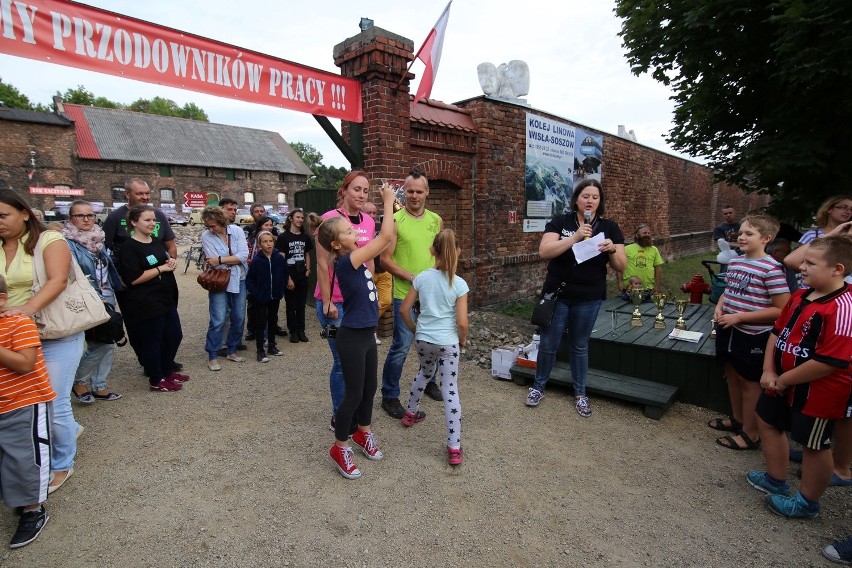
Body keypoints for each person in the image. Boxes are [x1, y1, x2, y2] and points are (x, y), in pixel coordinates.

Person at [745, 236, 852, 518]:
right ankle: (776, 479)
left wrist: (786, 379)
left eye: (810, 263)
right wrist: (769, 370)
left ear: (837, 269)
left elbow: (831, 361)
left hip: (819, 391)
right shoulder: (800, 295)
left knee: (814, 445)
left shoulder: (843, 307)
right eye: (802, 261)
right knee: (767, 420)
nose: (801, 267)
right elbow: (776, 332)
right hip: (780, 380)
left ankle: (807, 503)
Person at [0, 188, 84, 494]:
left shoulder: (49, 239)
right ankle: (69, 431)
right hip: (12, 337)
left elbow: (58, 280)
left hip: (54, 331)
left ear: (24, 213)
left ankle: (62, 463)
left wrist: (26, 310)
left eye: (3, 215)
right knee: (24, 401)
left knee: (52, 399)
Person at [524, 179, 626, 416]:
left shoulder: (609, 227)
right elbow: (544, 252)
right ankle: (538, 386)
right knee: (549, 344)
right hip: (559, 294)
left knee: (579, 346)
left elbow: (621, 266)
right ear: (576, 199)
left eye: (595, 197)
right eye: (585, 196)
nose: (590, 200)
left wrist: (612, 249)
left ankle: (580, 393)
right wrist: (574, 238)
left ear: (600, 202)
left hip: (589, 297)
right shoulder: (561, 221)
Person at [317, 180, 396, 479]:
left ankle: (364, 432)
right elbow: (385, 236)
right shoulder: (347, 261)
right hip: (351, 337)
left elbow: (386, 241)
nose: (355, 233)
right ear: (337, 244)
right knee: (352, 394)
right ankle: (340, 447)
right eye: (349, 232)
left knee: (369, 389)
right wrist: (387, 201)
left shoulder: (356, 259)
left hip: (367, 335)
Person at [709, 214, 790, 450]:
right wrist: (720, 306)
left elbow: (781, 309)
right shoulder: (735, 262)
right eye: (741, 232)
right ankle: (738, 419)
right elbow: (729, 291)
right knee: (732, 374)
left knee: (749, 382)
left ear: (766, 238)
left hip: (753, 334)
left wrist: (740, 317)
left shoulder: (772, 268)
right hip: (728, 328)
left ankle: (750, 433)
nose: (741, 237)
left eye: (749, 234)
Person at [399, 229, 469, 466]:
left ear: (432, 250)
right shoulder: (459, 284)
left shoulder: (421, 277)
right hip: (448, 342)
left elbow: (403, 310)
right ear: (458, 251)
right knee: (450, 389)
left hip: (424, 340)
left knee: (425, 372)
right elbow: (461, 322)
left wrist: (415, 330)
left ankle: (410, 413)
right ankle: (454, 446)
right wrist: (463, 339)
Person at [314, 170, 376, 430]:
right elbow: (321, 261)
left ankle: (355, 414)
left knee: (361, 362)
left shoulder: (369, 222)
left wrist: (371, 293)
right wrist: (327, 301)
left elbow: (369, 258)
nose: (361, 195)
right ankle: (340, 416)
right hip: (336, 303)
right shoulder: (329, 219)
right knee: (342, 362)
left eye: (365, 190)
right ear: (344, 191)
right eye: (356, 189)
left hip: (359, 303)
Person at [380, 167, 443, 419]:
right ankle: (389, 395)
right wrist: (413, 278)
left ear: (427, 192)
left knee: (433, 342)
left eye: (419, 191)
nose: (414, 196)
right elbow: (385, 260)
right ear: (403, 192)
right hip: (405, 294)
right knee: (402, 345)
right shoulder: (395, 221)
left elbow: (441, 255)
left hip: (431, 295)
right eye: (410, 191)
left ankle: (429, 381)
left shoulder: (436, 220)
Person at [0, 273, 55, 548]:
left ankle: (33, 509)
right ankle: (17, 497)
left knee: (26, 458)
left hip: (24, 402)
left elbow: (24, 363)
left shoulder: (17, 323)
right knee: (7, 459)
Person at [116, 205, 186, 392]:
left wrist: (169, 262)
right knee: (153, 340)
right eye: (147, 220)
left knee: (174, 335)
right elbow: (134, 278)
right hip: (146, 302)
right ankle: (156, 378)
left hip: (165, 298)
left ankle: (167, 368)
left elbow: (163, 260)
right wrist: (160, 269)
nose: (152, 223)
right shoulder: (129, 247)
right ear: (134, 222)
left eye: (154, 220)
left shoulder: (155, 241)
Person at [63, 200, 124, 404]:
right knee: (99, 342)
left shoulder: (98, 238)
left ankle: (100, 385)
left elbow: (106, 267)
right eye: (81, 216)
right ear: (71, 218)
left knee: (108, 340)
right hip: (87, 297)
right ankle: (80, 381)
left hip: (106, 294)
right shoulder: (66, 242)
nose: (87, 219)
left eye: (90, 215)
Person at [200, 206, 249, 371]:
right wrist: (230, 260)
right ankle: (213, 354)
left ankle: (232, 350)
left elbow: (244, 255)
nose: (211, 230)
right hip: (219, 281)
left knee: (239, 317)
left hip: (239, 279)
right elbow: (212, 261)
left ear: (222, 221)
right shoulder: (206, 236)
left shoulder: (236, 231)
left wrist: (220, 259)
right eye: (208, 226)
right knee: (218, 318)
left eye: (213, 226)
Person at [103, 177, 176, 262]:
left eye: (147, 193)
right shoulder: (115, 217)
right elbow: (103, 248)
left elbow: (171, 245)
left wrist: (170, 263)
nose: (145, 197)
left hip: (159, 269)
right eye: (139, 194)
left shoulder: (159, 215)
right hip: (128, 271)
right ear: (127, 194)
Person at [245, 231, 286, 362]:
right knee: (261, 322)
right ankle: (260, 350)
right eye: (265, 241)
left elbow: (284, 274)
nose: (268, 244)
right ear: (259, 244)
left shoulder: (278, 258)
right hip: (261, 297)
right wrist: (256, 293)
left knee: (273, 320)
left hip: (275, 296)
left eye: (270, 241)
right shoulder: (257, 260)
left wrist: (281, 289)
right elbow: (250, 279)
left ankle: (272, 346)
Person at [276, 208, 313, 343]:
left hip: (302, 274)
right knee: (291, 305)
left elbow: (307, 254)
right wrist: (288, 278)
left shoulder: (305, 237)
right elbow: (281, 259)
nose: (300, 220)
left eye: (302, 218)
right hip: (290, 274)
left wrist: (308, 269)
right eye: (297, 217)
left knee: (301, 305)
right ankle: (293, 332)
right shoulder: (283, 237)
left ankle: (301, 330)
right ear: (291, 218)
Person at [363, 201, 392, 345]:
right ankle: (370, 331)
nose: (372, 215)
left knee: (386, 301)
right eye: (369, 212)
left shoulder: (381, 228)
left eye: (374, 212)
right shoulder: (360, 228)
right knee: (367, 303)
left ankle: (368, 326)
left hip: (384, 271)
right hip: (368, 271)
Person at [245, 215, 275, 342]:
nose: (268, 227)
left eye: (270, 225)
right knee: (256, 309)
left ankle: (269, 337)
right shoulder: (253, 242)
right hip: (258, 280)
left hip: (270, 282)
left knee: (270, 313)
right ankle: (257, 334)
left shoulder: (273, 243)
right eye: (266, 225)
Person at [615, 223, 663, 301]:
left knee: (648, 311)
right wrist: (619, 282)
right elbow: (619, 266)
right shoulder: (627, 249)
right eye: (644, 233)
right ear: (637, 235)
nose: (647, 235)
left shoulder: (654, 249)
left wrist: (657, 286)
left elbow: (658, 268)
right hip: (630, 289)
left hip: (648, 289)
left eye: (648, 233)